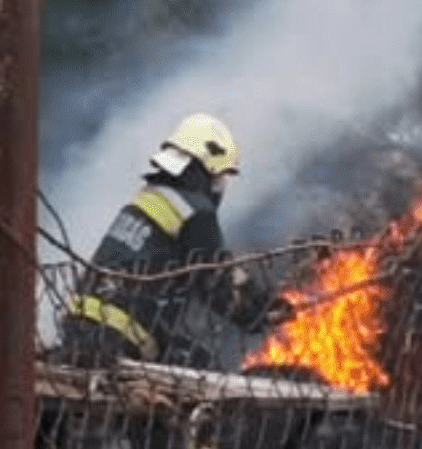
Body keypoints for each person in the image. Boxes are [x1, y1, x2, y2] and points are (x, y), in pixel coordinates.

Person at [59, 112, 276, 370]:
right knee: (209, 374)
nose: (221, 186)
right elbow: (214, 283)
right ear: (210, 167)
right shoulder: (196, 211)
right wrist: (257, 316)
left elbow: (211, 266)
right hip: (120, 335)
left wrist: (254, 292)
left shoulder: (148, 197)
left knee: (187, 354)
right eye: (222, 177)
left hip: (80, 324)